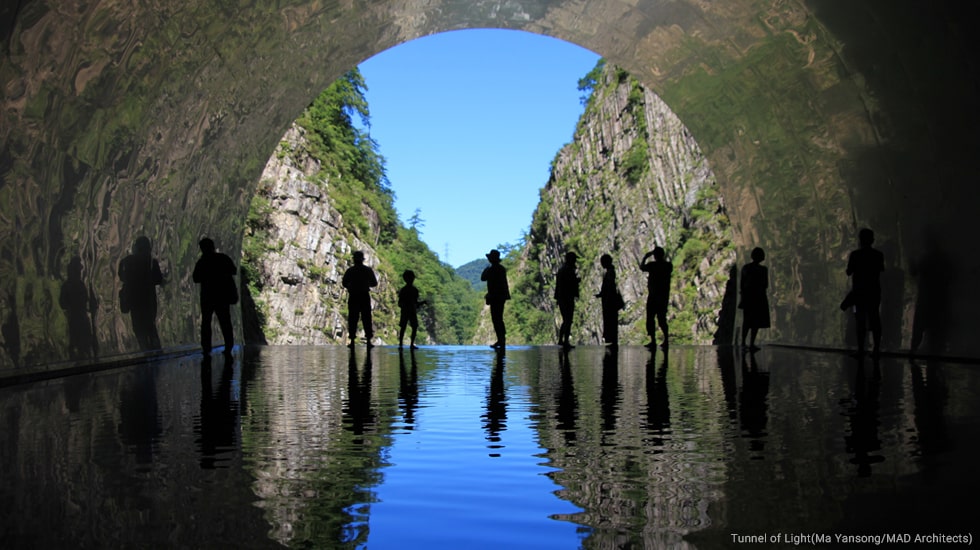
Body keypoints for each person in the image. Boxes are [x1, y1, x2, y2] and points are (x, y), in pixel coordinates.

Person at [192, 237, 238, 356]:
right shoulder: (223, 258)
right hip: (222, 295)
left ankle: (206, 347)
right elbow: (234, 270)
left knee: (206, 322)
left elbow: (195, 278)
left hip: (207, 296)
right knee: (225, 321)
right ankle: (229, 346)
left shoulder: (202, 262)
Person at [118, 236, 164, 350]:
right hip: (149, 301)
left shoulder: (127, 261)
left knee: (139, 329)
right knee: (150, 326)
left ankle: (145, 351)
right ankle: (155, 352)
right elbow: (158, 279)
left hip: (135, 302)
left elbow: (122, 277)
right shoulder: (151, 262)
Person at [846, 228, 884, 356]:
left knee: (860, 320)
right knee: (875, 318)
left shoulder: (855, 255)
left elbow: (848, 272)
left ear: (860, 240)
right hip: (874, 292)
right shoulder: (878, 255)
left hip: (859, 293)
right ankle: (876, 348)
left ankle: (861, 348)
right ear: (872, 240)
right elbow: (881, 270)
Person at [342, 250, 378, 348]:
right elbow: (374, 283)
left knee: (353, 317)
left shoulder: (350, 270)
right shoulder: (367, 270)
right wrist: (366, 283)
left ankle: (352, 340)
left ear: (354, 260)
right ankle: (369, 341)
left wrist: (351, 285)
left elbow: (344, 283)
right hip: (364, 295)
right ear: (362, 260)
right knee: (366, 317)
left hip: (353, 295)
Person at [639, 246, 672, 349]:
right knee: (661, 319)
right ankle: (666, 340)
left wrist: (645, 256)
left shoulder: (652, 265)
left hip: (653, 296)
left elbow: (642, 267)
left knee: (650, 319)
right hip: (663, 297)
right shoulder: (668, 266)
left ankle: (653, 341)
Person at [739, 247, 771, 351]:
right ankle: (751, 343)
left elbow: (742, 285)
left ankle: (743, 342)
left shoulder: (746, 268)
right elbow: (765, 285)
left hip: (748, 297)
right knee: (755, 322)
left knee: (747, 321)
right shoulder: (763, 270)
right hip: (759, 298)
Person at [481, 249, 511, 349]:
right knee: (499, 318)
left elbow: (483, 278)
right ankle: (501, 339)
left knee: (496, 319)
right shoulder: (501, 268)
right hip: (501, 297)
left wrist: (486, 268)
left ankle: (501, 340)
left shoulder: (491, 269)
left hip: (495, 297)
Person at [595, 253, 623, 347]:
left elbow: (610, 287)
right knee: (611, 321)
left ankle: (612, 340)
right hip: (609, 300)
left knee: (611, 321)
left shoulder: (610, 272)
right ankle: (612, 339)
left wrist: (604, 295)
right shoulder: (610, 272)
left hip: (610, 301)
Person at [554, 251, 580, 349]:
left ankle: (562, 340)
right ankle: (564, 341)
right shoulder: (568, 270)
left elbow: (559, 285)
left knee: (566, 320)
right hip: (567, 298)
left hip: (562, 298)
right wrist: (576, 281)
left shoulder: (562, 270)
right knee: (568, 320)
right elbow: (569, 284)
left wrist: (557, 298)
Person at [398, 269, 423, 349]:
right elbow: (416, 303)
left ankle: (401, 344)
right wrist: (422, 303)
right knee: (414, 327)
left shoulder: (403, 290)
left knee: (403, 327)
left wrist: (403, 306)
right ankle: (411, 344)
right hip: (411, 310)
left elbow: (400, 302)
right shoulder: (414, 290)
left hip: (405, 310)